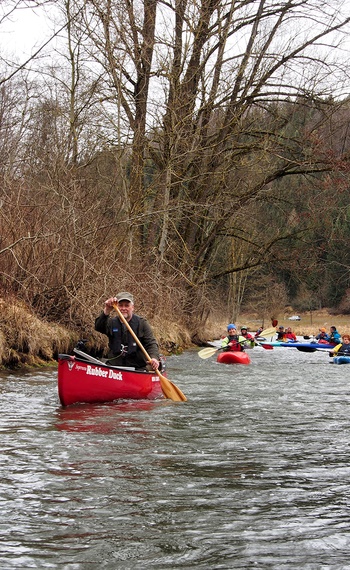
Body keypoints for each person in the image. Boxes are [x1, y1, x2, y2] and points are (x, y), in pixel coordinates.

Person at [94, 292, 160, 370]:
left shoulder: (142, 324)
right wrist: (107, 310)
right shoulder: (111, 322)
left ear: (132, 307)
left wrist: (154, 358)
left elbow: (151, 343)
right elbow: (98, 327)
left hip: (137, 368)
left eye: (127, 305)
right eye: (120, 305)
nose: (123, 308)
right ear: (116, 307)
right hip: (114, 368)